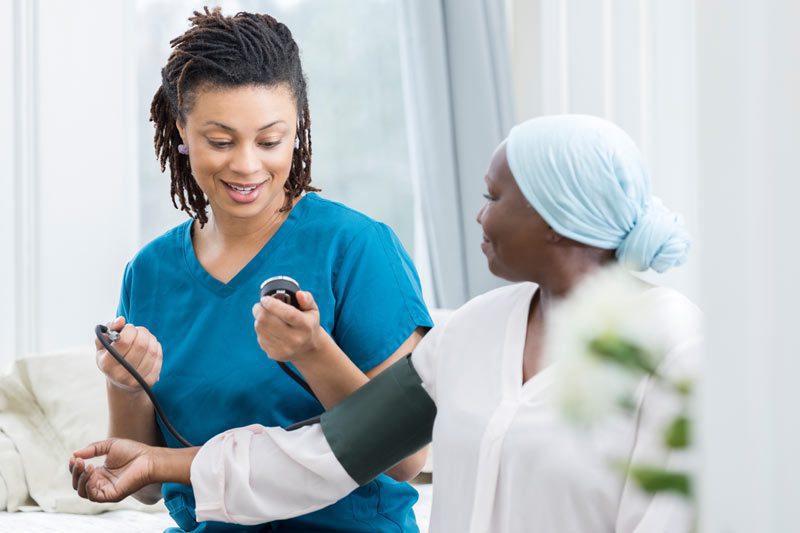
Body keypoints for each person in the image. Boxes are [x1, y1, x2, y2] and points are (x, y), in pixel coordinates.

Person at [71, 115, 701, 532]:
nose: (479, 218)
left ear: (557, 217)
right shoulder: (475, 333)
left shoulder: (677, 349)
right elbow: (322, 453)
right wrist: (156, 464)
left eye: (493, 197)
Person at [87, 7, 433, 533]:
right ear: (181, 129)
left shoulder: (357, 248)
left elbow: (405, 458)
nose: (247, 165)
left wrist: (312, 351)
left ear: (299, 129)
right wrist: (126, 385)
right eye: (220, 141)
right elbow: (149, 484)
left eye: (270, 141)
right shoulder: (150, 272)